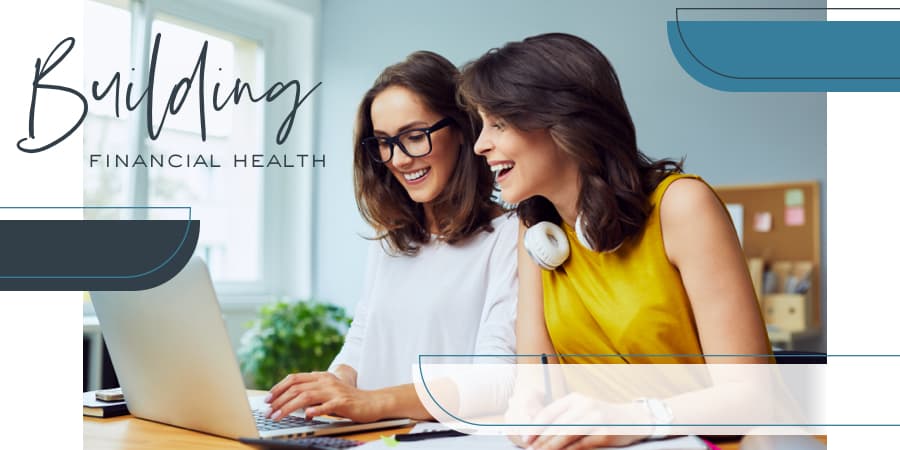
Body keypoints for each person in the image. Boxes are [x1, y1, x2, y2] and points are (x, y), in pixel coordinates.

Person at [458, 33, 772, 449]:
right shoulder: (537, 230)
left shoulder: (681, 207)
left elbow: (752, 397)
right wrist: (526, 408)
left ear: (562, 121)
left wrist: (633, 417)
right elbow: (535, 379)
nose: (480, 144)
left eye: (497, 123)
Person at [264, 51, 518, 423]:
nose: (398, 160)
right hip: (370, 435)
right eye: (383, 142)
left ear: (463, 131)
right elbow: (364, 339)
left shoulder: (510, 236)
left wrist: (370, 403)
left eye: (415, 136)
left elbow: (495, 382)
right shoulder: (390, 237)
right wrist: (331, 386)